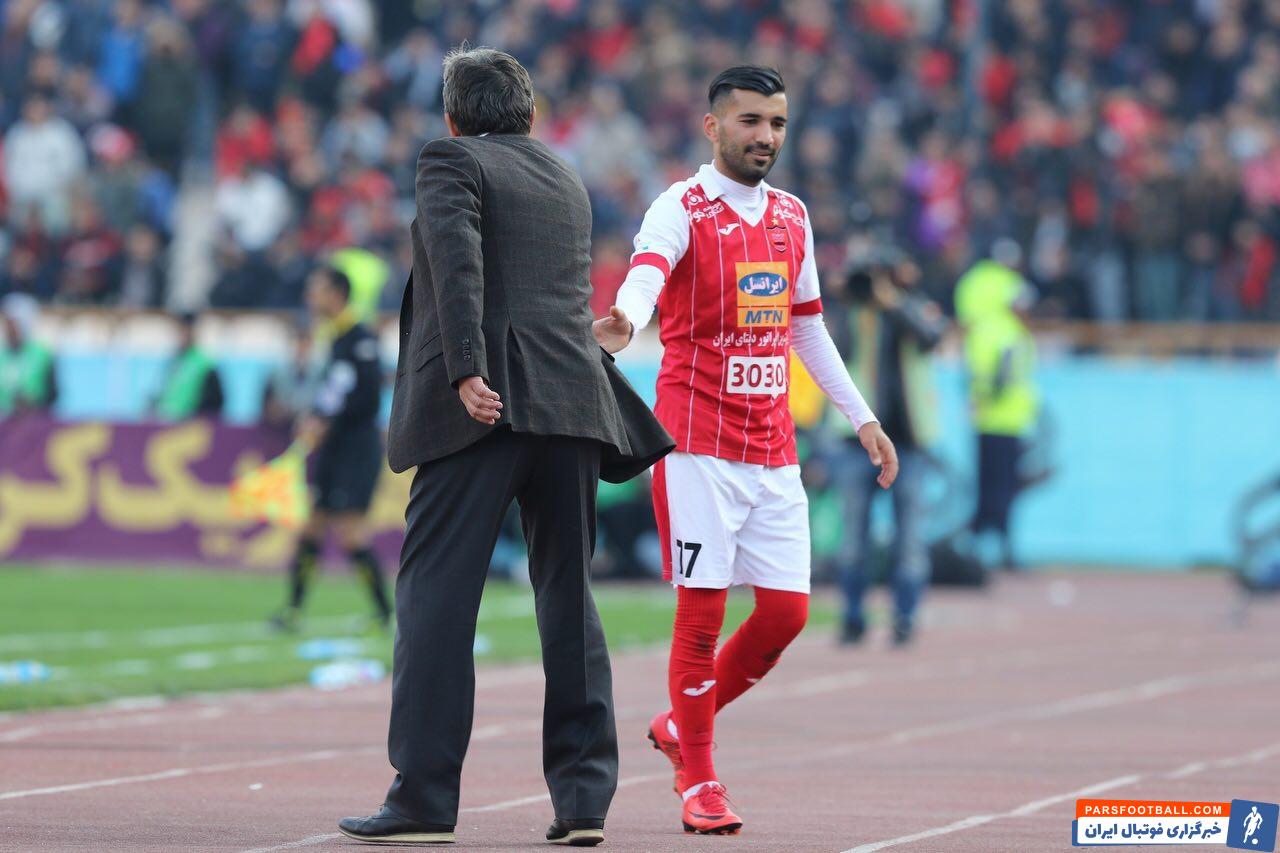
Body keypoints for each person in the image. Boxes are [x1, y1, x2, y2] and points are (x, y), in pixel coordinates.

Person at [339, 48, 671, 848]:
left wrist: (466, 370)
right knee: (568, 598)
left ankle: (423, 797)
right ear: (530, 113)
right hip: (573, 402)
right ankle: (584, 797)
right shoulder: (563, 174)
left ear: (453, 117)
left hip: (482, 407)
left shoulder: (449, 159)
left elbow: (458, 265)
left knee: (435, 596)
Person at [594, 65, 898, 836]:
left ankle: (677, 724)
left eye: (777, 123)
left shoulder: (793, 216)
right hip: (697, 443)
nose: (766, 136)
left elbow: (806, 325)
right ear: (714, 126)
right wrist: (625, 319)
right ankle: (699, 779)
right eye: (751, 121)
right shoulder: (681, 206)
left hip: (772, 445)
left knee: (787, 614)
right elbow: (647, 272)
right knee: (701, 615)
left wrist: (861, 416)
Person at [828, 250, 945, 646]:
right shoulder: (852, 313)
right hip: (856, 440)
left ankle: (905, 618)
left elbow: (931, 336)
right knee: (852, 538)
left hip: (908, 440)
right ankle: (852, 617)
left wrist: (891, 302)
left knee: (908, 538)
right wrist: (847, 300)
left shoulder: (914, 307)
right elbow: (835, 351)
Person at [269, 267, 392, 632]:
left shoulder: (360, 339)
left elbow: (367, 398)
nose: (310, 297)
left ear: (337, 294)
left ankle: (385, 614)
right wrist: (315, 417)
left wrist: (326, 420)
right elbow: (333, 394)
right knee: (311, 527)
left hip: (356, 450)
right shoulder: (335, 339)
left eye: (317, 290)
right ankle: (292, 610)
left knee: (351, 531)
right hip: (334, 449)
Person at [954, 240, 1040, 571]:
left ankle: (978, 546)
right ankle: (1000, 548)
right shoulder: (1007, 331)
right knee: (1003, 487)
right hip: (1005, 419)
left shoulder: (981, 328)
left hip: (986, 418)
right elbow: (1003, 378)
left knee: (986, 484)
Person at [152, 313, 224, 420]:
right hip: (169, 422)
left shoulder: (204, 363)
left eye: (183, 331)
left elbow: (214, 401)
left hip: (192, 424)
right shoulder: (175, 361)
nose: (179, 336)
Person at [0, 294, 58, 416]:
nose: (9, 329)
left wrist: (33, 402)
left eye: (13, 324)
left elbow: (53, 394)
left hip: (34, 419)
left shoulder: (42, 355)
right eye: (7, 324)